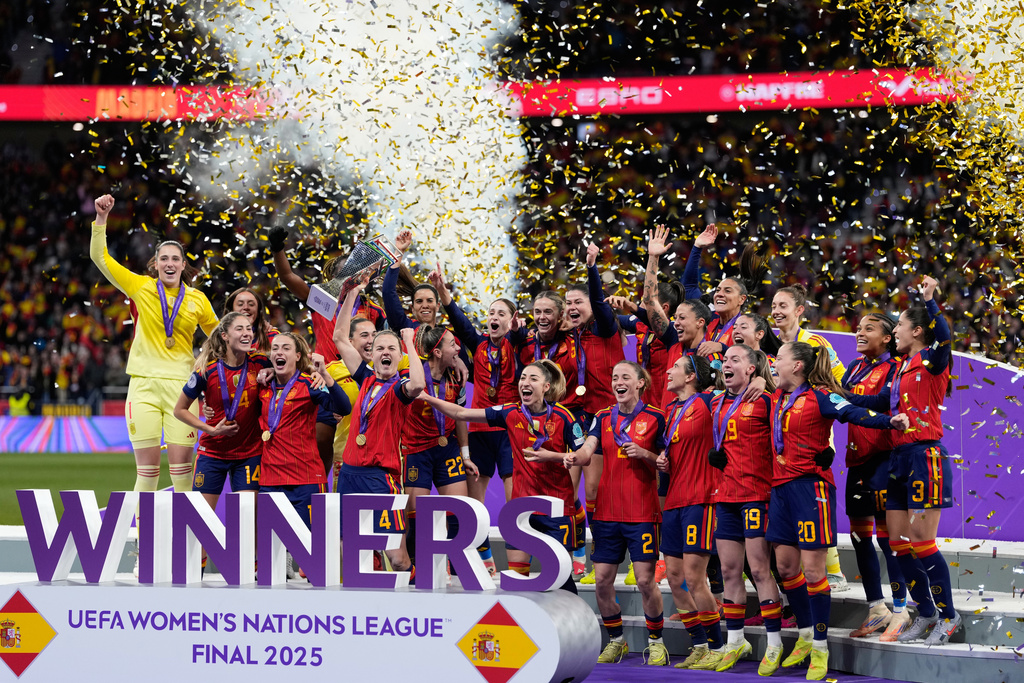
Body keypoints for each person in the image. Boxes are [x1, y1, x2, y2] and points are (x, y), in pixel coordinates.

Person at [767, 341, 908, 680]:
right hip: (779, 489)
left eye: (780, 359)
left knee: (814, 572)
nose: (774, 364)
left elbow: (853, 412)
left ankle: (819, 646)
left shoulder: (820, 396)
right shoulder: (774, 397)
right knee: (786, 568)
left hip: (811, 488)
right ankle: (803, 636)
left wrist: (891, 422)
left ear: (798, 366)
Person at [89, 194, 218, 553]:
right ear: (155, 264)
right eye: (164, 258)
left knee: (181, 475)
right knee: (146, 472)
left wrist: (207, 357)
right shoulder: (141, 288)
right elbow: (100, 258)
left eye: (176, 258)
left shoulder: (197, 299)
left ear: (183, 264)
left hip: (183, 391)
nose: (170, 263)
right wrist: (101, 220)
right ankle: (144, 549)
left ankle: (186, 551)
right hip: (143, 386)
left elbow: (220, 337)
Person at [842, 277, 960, 645]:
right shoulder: (902, 371)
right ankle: (924, 613)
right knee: (897, 542)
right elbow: (879, 403)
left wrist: (930, 301)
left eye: (901, 328)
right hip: (899, 459)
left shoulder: (933, 363)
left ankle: (949, 616)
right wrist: (836, 395)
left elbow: (944, 339)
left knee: (923, 541)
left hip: (926, 456)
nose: (895, 334)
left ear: (918, 331)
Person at [418, 359, 585, 596]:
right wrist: (426, 398)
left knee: (560, 581)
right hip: (521, 511)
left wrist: (553, 456)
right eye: (523, 378)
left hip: (555, 510)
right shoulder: (509, 412)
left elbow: (582, 456)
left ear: (546, 387)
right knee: (518, 582)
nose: (525, 383)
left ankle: (571, 630)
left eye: (533, 379)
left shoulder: (564, 417)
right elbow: (462, 413)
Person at [541, 361, 667, 666]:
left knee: (647, 581)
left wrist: (646, 454)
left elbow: (667, 462)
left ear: (640, 383)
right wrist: (563, 456)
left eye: (625, 377)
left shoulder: (656, 418)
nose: (618, 382)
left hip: (642, 513)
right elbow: (586, 452)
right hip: (607, 515)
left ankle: (656, 642)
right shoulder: (601, 417)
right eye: (614, 377)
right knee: (602, 581)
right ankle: (616, 641)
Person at [268, 227, 385, 481]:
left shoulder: (374, 309)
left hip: (363, 382)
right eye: (347, 271)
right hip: (326, 381)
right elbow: (288, 276)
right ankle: (317, 506)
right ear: (335, 277)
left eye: (357, 270)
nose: (352, 276)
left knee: (362, 452)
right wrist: (277, 248)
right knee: (321, 457)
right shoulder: (324, 301)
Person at [434, 276, 522, 576]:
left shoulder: (516, 344)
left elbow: (521, 338)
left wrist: (519, 332)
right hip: (481, 432)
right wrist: (444, 293)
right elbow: (460, 323)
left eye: (501, 314)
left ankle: (517, 567)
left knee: (515, 501)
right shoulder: (479, 344)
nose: (493, 317)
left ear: (512, 321)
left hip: (510, 432)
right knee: (474, 503)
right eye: (491, 313)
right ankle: (483, 559)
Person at [706, 344, 783, 673]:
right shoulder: (716, 402)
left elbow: (793, 402)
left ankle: (775, 644)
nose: (726, 364)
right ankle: (736, 641)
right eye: (725, 360)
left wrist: (768, 384)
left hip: (756, 495)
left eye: (734, 360)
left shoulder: (766, 401)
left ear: (751, 369)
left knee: (760, 570)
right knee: (728, 572)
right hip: (725, 496)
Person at [334, 303, 425, 575]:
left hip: (380, 478)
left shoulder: (400, 389)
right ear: (371, 355)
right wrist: (351, 291)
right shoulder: (364, 378)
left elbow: (419, 385)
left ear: (400, 356)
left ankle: (414, 589)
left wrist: (409, 341)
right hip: (349, 475)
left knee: (397, 558)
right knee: (344, 550)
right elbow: (339, 337)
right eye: (379, 348)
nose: (385, 352)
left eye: (391, 349)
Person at [771, 283, 849, 590]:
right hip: (781, 431)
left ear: (799, 310)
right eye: (774, 305)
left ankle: (833, 570)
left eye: (783, 306)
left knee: (813, 505)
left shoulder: (814, 342)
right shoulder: (773, 344)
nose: (776, 311)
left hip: (811, 426)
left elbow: (838, 379)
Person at [654, 354, 725, 671]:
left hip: (702, 499)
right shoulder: (670, 410)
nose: (669, 371)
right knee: (675, 579)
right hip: (674, 501)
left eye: (676, 368)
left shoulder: (712, 401)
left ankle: (717, 647)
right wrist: (662, 460)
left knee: (696, 579)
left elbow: (735, 383)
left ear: (693, 376)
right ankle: (698, 644)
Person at [841, 313, 909, 641]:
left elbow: (884, 401)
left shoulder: (895, 367)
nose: (860, 332)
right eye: (859, 327)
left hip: (886, 458)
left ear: (886, 338)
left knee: (887, 539)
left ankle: (900, 610)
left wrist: (843, 398)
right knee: (859, 537)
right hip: (857, 460)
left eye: (869, 328)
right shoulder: (854, 367)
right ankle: (875, 608)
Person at [173, 312, 269, 519]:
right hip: (212, 453)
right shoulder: (206, 370)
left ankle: (244, 553)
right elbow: (179, 410)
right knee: (201, 523)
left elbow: (292, 368)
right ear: (225, 335)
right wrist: (211, 430)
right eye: (239, 329)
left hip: (249, 453)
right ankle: (202, 554)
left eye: (249, 329)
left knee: (247, 521)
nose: (246, 334)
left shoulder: (261, 363)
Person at [257, 333, 351, 540]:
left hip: (306, 479)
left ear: (298, 356)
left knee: (311, 550)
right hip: (270, 479)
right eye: (275, 348)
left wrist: (325, 376)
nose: (279, 352)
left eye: (286, 348)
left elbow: (343, 407)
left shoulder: (310, 385)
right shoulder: (262, 386)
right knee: (272, 552)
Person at [400, 323, 476, 568]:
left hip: (448, 450)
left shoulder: (457, 376)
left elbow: (461, 417)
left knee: (458, 515)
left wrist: (465, 455)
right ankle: (416, 569)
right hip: (416, 452)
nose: (458, 349)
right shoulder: (412, 376)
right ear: (437, 352)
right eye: (453, 344)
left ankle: (457, 570)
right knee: (416, 518)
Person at [224, 287, 278, 352]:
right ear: (231, 311)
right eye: (240, 304)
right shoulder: (220, 340)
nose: (246, 307)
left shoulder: (273, 337)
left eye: (251, 304)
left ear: (258, 311)